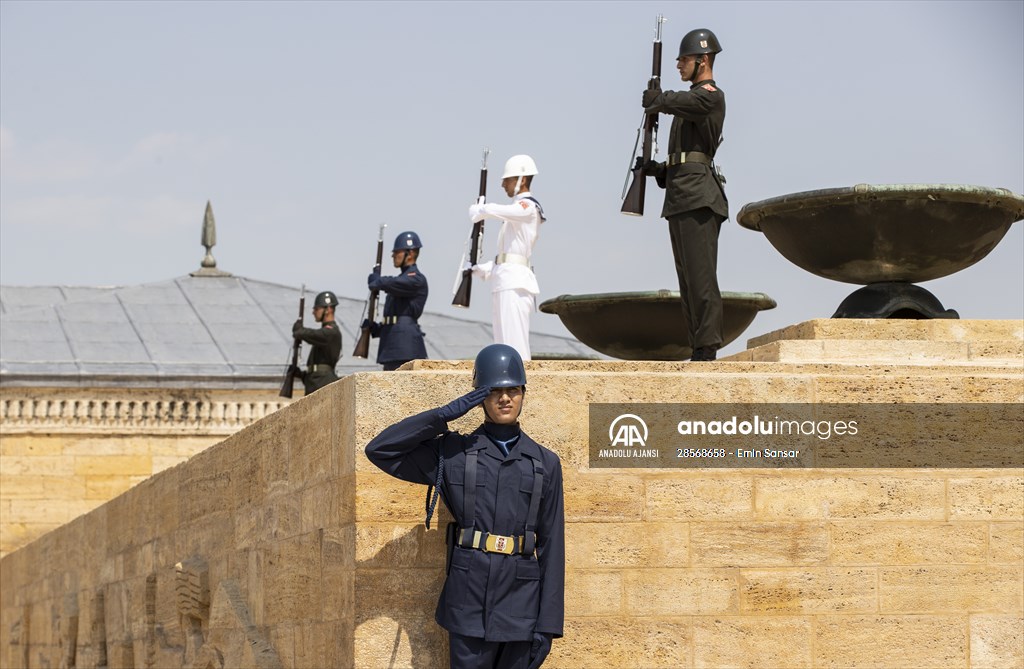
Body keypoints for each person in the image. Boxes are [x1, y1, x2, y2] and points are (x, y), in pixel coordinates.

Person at [365, 344, 564, 669]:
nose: (505, 398)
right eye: (494, 390)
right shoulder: (454, 453)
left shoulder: (544, 463)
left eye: (513, 389)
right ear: (480, 396)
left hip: (522, 603)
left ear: (523, 393)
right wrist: (444, 415)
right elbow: (381, 450)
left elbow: (553, 544)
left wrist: (549, 625)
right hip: (468, 600)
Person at [642, 28, 729, 361]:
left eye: (684, 58)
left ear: (702, 60)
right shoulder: (689, 102)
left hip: (699, 196)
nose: (679, 64)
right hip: (680, 194)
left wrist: (659, 100)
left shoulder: (709, 96)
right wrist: (659, 170)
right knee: (687, 281)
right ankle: (697, 344)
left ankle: (707, 347)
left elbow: (686, 102)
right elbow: (686, 154)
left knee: (700, 277)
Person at [467, 154, 545, 362]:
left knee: (515, 345)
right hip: (504, 279)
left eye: (507, 179)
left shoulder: (528, 207)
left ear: (522, 179)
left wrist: (482, 209)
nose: (503, 184)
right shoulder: (515, 213)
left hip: (515, 282)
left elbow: (505, 211)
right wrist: (482, 269)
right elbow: (507, 255)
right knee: (502, 342)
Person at [364, 231, 429, 371]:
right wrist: (375, 328)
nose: (393, 255)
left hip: (405, 347)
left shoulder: (416, 278)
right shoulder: (400, 281)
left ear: (410, 253)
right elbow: (395, 317)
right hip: (391, 345)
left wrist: (377, 281)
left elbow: (391, 283)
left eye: (397, 252)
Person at [291, 290, 342, 394]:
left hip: (324, 382)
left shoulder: (332, 332)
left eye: (317, 309)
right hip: (315, 382)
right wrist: (302, 375)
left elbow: (313, 334)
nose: (313, 312)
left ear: (328, 309)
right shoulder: (324, 334)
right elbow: (316, 369)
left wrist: (300, 331)